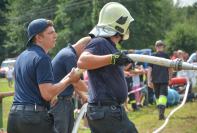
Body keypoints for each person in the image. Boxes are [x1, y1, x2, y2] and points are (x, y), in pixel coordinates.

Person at [7, 18, 81, 133]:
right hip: (33, 118)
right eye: (51, 33)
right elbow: (47, 94)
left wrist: (68, 78)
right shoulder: (42, 58)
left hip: (14, 117)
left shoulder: (21, 57)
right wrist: (69, 80)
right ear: (39, 37)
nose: (55, 35)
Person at [77, 2, 138, 133]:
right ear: (120, 24)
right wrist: (113, 58)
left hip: (106, 111)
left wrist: (120, 58)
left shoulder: (108, 46)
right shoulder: (100, 42)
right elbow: (82, 61)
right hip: (107, 111)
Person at [50, 36, 90, 133]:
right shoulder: (70, 56)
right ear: (83, 48)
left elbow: (71, 81)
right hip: (59, 102)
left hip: (63, 101)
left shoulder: (68, 53)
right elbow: (76, 82)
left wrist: (83, 95)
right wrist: (94, 92)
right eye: (89, 53)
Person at [147, 40, 173, 120]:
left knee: (158, 96)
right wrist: (170, 78)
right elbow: (170, 68)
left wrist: (148, 80)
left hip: (155, 80)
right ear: (163, 47)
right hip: (164, 79)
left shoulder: (152, 56)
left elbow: (149, 69)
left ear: (155, 47)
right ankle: (161, 113)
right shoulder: (166, 55)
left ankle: (160, 113)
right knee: (163, 96)